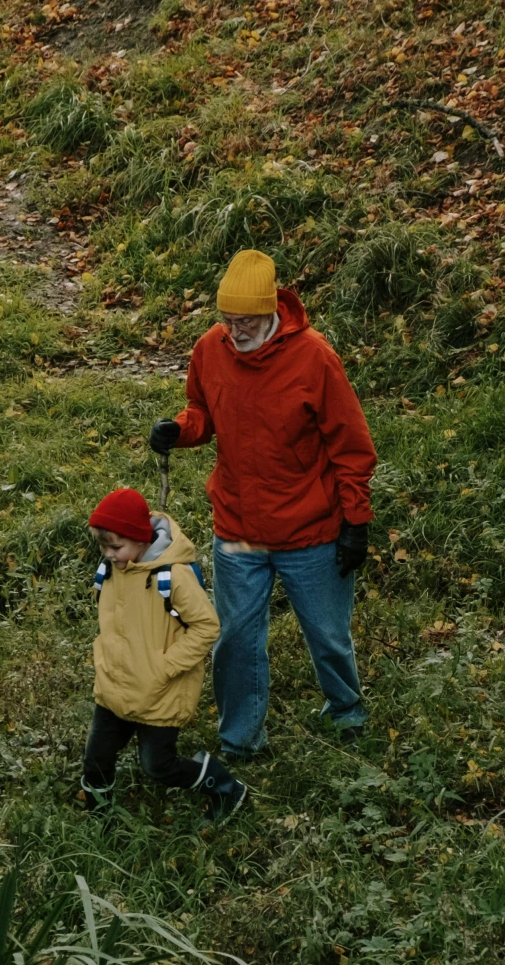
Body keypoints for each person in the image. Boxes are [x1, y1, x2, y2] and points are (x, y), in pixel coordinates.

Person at [150, 248, 377, 759]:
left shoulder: (315, 357)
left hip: (311, 530)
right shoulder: (210, 348)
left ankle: (347, 712)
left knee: (327, 635)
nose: (235, 331)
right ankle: (240, 741)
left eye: (246, 321)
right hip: (238, 527)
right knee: (236, 641)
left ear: (272, 309)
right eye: (228, 321)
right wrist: (179, 430)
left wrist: (355, 522)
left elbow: (352, 447)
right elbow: (202, 411)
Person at [79, 486, 249, 822]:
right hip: (115, 686)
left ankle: (225, 787)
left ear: (141, 539)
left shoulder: (174, 576)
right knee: (96, 760)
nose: (109, 554)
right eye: (103, 546)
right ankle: (99, 822)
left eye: (116, 546)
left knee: (158, 765)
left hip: (159, 691)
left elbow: (206, 626)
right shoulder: (114, 569)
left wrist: (164, 666)